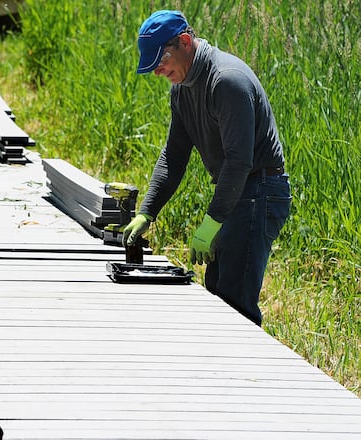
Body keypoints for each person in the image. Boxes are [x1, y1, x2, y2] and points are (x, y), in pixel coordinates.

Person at [124, 10, 291, 326]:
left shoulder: (227, 81)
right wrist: (148, 212)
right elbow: (174, 156)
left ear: (184, 42)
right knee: (217, 292)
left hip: (260, 191)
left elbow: (239, 160)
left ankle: (250, 370)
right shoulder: (183, 88)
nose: (158, 72)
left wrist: (212, 222)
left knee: (235, 301)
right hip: (238, 190)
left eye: (161, 62)